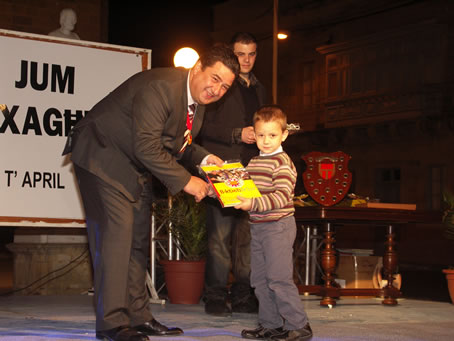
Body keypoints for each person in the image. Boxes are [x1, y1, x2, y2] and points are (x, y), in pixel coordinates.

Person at [62, 45, 239, 341]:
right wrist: (188, 182)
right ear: (197, 69)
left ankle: (138, 316)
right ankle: (112, 324)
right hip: (103, 155)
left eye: (225, 86)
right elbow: (147, 146)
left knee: (137, 241)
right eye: (215, 79)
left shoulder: (197, 104)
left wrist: (207, 161)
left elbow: (178, 144)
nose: (217, 89)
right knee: (116, 237)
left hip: (135, 167)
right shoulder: (161, 87)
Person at [197, 32, 266, 316]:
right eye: (240, 54)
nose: (246, 60)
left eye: (251, 54)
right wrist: (238, 133)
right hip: (225, 167)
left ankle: (242, 296)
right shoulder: (221, 85)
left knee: (247, 240)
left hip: (253, 168)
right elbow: (202, 127)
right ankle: (214, 296)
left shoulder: (261, 88)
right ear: (232, 55)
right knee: (219, 238)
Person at [234, 105, 313, 341]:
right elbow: (240, 189)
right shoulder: (255, 162)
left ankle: (299, 325)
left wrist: (252, 204)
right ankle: (271, 324)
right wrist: (216, 186)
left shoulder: (283, 163)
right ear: (254, 134)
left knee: (278, 279)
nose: (266, 141)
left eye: (272, 135)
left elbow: (280, 197)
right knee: (259, 279)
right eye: (260, 135)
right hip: (258, 227)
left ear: (284, 135)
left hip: (278, 227)